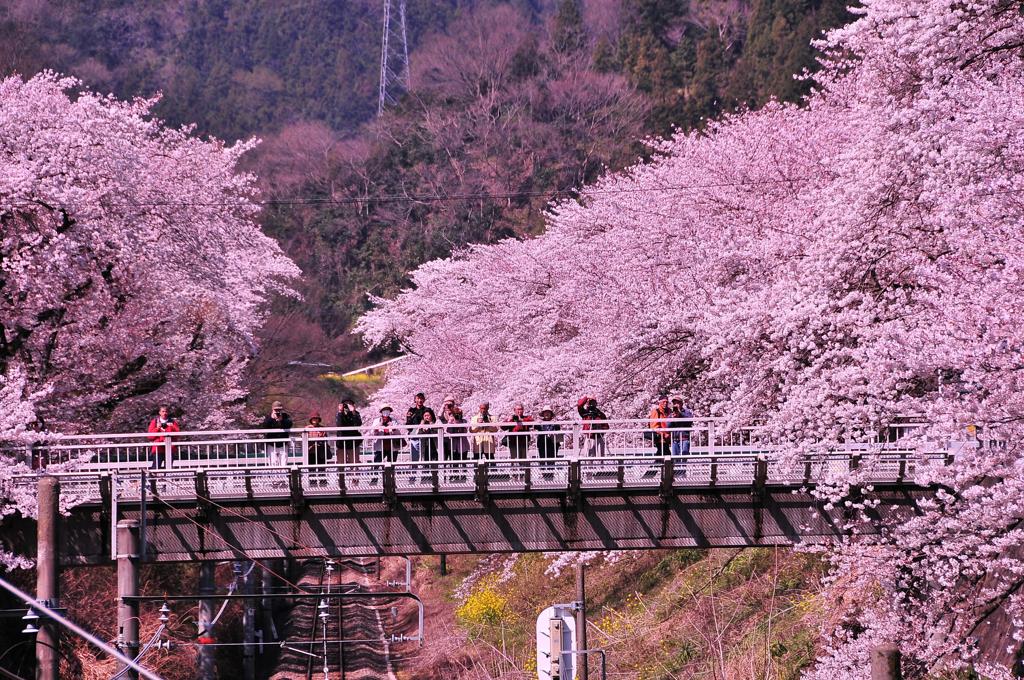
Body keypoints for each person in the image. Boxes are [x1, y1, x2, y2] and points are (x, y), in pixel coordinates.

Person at [405, 392, 436, 464]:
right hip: (414, 437)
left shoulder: (428, 410)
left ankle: (427, 474)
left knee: (427, 457)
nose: (420, 400)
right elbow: (408, 426)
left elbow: (433, 421)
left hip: (426, 437)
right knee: (414, 459)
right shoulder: (411, 411)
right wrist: (409, 418)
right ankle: (414, 474)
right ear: (415, 400)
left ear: (424, 400)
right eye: (418, 398)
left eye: (421, 398)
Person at [260, 401, 293, 466]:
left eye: (279, 409)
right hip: (271, 443)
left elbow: (290, 424)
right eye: (276, 409)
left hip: (283, 443)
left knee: (283, 462)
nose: (278, 411)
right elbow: (265, 426)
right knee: (272, 462)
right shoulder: (268, 416)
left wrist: (282, 420)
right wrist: (271, 418)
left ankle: (283, 475)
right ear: (272, 409)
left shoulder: (285, 416)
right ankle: (274, 476)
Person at [535, 407, 562, 479]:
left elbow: (558, 429)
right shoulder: (540, 423)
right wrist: (537, 422)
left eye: (548, 412)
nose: (547, 414)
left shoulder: (554, 423)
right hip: (542, 444)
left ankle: (551, 476)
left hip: (552, 444)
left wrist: (555, 423)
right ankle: (544, 475)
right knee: (542, 460)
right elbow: (535, 426)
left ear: (551, 414)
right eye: (545, 412)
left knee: (552, 460)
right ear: (543, 414)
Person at [335, 399, 363, 464]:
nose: (347, 406)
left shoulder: (356, 413)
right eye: (345, 404)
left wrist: (353, 412)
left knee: (354, 463)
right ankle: (341, 474)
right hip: (341, 443)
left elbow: (358, 424)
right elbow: (339, 424)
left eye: (349, 404)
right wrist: (340, 411)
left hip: (353, 443)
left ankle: (354, 474)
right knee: (341, 463)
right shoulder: (339, 414)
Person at [438, 396, 458, 460]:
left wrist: (453, 410)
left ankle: (455, 470)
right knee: (444, 456)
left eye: (451, 404)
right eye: (447, 404)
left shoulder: (455, 412)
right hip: (445, 439)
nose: (448, 406)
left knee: (454, 458)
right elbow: (439, 415)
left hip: (454, 439)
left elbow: (458, 418)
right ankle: (443, 469)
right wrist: (444, 406)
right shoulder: (443, 413)